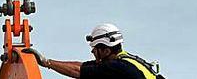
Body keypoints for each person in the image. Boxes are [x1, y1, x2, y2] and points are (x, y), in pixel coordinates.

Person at [24, 23, 161, 78]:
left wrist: (47, 63)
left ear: (106, 50)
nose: (92, 52)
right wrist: (48, 61)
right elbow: (82, 66)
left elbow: (78, 71)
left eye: (95, 49)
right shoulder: (125, 60)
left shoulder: (117, 66)